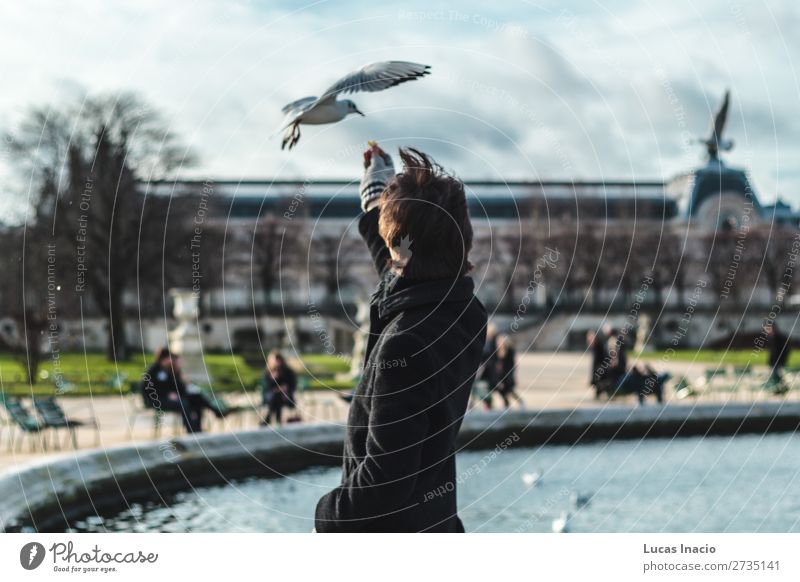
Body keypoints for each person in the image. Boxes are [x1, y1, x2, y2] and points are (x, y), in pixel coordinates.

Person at [314, 144, 487, 533]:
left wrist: (324, 517)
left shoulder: (405, 345)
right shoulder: (466, 311)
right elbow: (401, 267)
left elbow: (383, 484)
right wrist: (379, 195)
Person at [142, 348, 206, 433]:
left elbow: (178, 389)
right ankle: (191, 429)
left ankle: (197, 428)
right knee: (183, 403)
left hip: (169, 398)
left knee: (196, 399)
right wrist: (167, 394)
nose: (172, 360)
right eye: (169, 358)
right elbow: (149, 389)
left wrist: (180, 376)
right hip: (156, 400)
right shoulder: (153, 371)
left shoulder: (170, 370)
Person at [261, 350, 298, 426]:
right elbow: (266, 388)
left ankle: (268, 419)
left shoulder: (288, 372)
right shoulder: (269, 372)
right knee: (276, 396)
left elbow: (292, 385)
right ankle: (278, 421)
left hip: (286, 396)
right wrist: (273, 379)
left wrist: (285, 388)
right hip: (271, 397)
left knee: (277, 396)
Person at [492, 335, 523, 408]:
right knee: (501, 391)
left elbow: (511, 366)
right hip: (499, 375)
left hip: (507, 375)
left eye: (502, 342)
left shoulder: (509, 351)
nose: (500, 343)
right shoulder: (495, 351)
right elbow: (494, 365)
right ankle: (507, 404)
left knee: (510, 391)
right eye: (499, 342)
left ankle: (520, 401)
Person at [587, 329, 608, 398]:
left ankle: (602, 390)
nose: (590, 339)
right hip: (598, 368)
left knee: (597, 380)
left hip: (601, 367)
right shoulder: (594, 346)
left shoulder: (599, 346)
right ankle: (599, 391)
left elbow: (603, 358)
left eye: (591, 337)